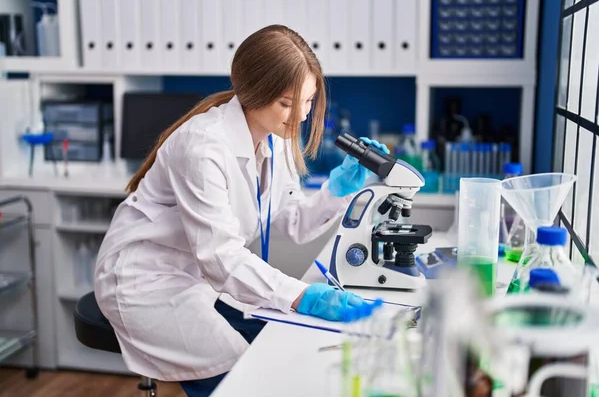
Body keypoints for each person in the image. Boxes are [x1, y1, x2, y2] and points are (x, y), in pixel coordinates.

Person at [94, 25, 389, 397]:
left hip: (199, 278)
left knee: (280, 348)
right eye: (287, 102)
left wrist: (337, 190)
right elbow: (221, 257)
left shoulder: (275, 137)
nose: (300, 115)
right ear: (253, 94)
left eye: (309, 101)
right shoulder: (202, 147)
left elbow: (290, 222)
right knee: (243, 377)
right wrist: (304, 295)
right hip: (145, 282)